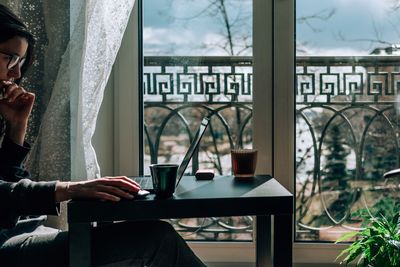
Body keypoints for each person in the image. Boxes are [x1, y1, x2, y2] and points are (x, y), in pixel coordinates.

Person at [0, 4, 206, 267]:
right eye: (10, 58)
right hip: (7, 244)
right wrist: (70, 188)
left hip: (20, 232)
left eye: (20, 62)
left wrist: (17, 127)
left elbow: (6, 196)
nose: (17, 73)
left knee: (148, 237)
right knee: (158, 239)